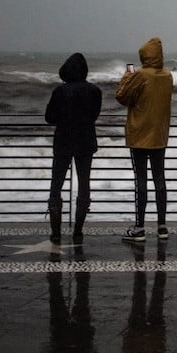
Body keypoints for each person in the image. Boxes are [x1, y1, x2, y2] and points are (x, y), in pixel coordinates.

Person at [116, 37, 174, 242]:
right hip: (159, 135)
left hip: (139, 135)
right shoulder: (167, 76)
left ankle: (139, 228)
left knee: (140, 180)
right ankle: (162, 227)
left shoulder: (139, 75)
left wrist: (127, 74)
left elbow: (122, 96)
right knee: (160, 180)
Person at [44, 52, 102, 245]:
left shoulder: (60, 91)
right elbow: (94, 116)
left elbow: (49, 117)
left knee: (56, 185)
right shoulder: (95, 91)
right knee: (84, 184)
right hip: (85, 142)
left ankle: (56, 232)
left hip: (63, 142)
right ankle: (78, 230)